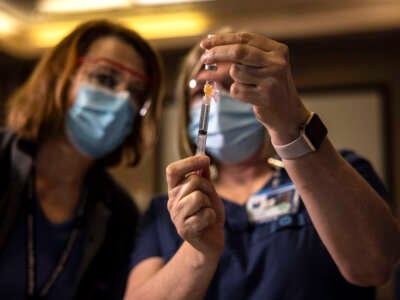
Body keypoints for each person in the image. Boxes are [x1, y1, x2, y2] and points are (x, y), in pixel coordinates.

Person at [125, 30, 400, 300]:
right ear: (186, 111)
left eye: (236, 84)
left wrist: (291, 121)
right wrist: (198, 253)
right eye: (203, 90)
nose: (217, 99)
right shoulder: (165, 213)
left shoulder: (339, 171)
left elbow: (374, 266)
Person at [0, 19, 163, 299]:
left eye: (135, 92)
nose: (122, 99)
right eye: (105, 78)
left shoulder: (119, 214)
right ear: (60, 77)